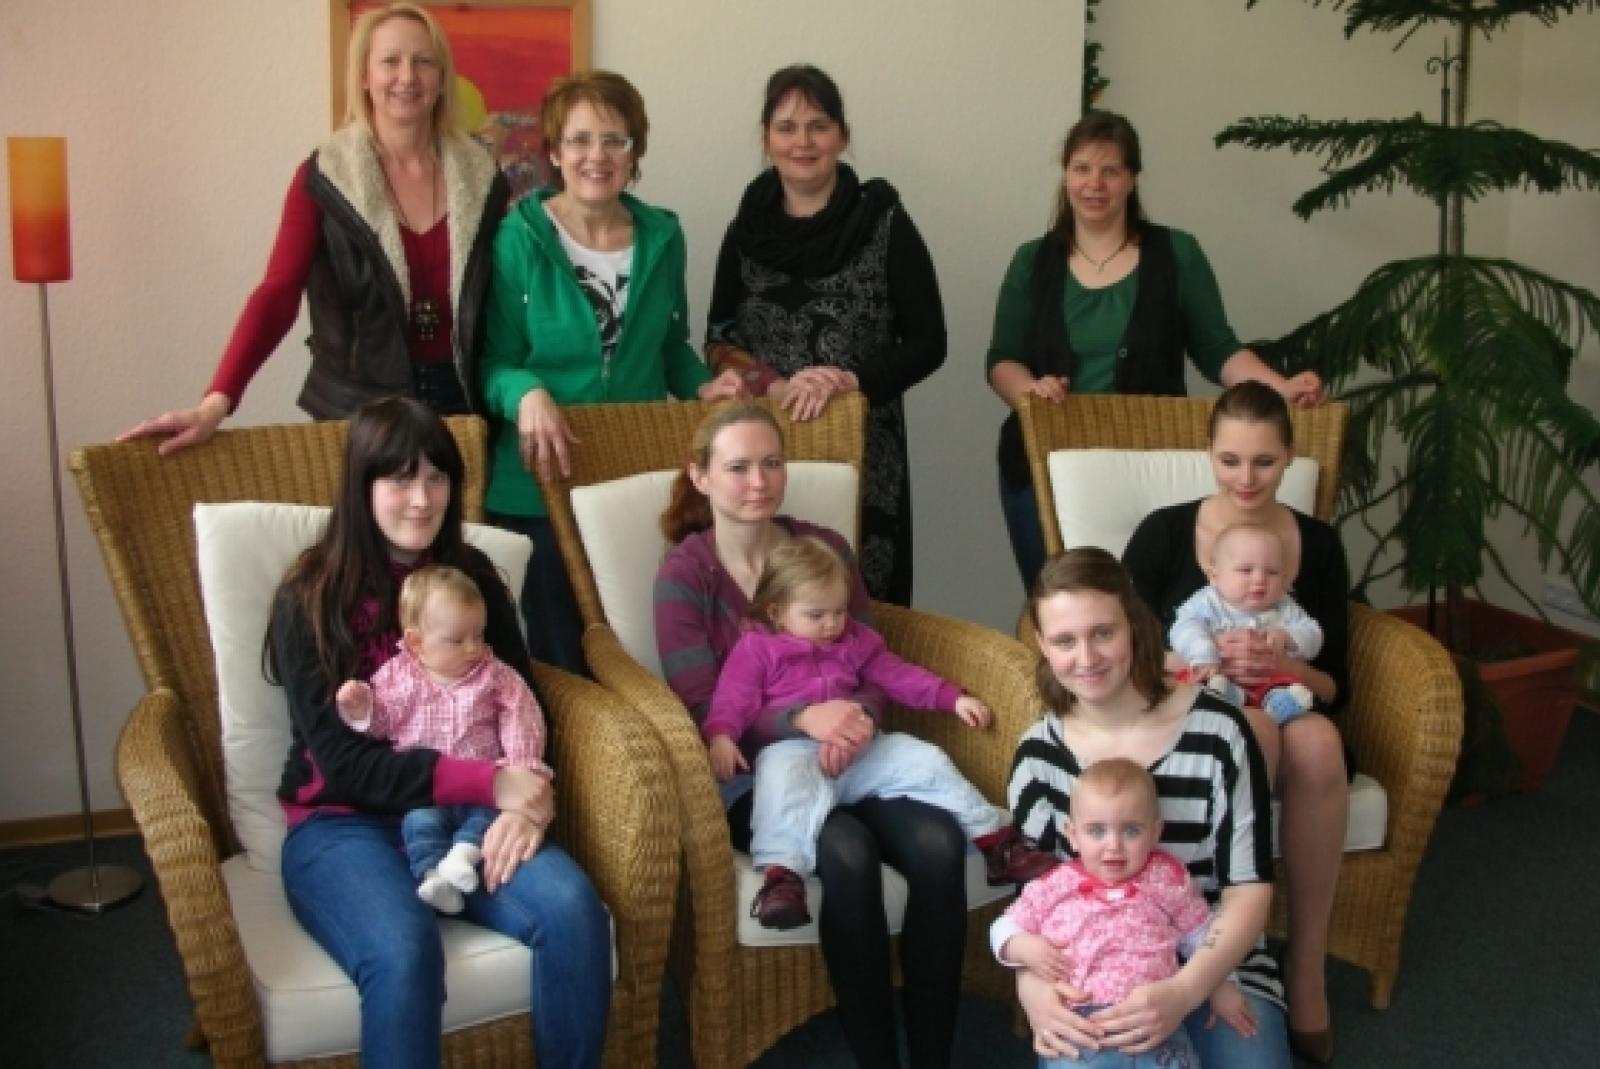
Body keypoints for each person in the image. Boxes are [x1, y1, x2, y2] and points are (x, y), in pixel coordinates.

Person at [268, 396, 609, 1068]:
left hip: (470, 821)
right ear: (362, 485)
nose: (422, 499)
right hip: (343, 824)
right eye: (400, 479)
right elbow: (343, 764)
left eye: (436, 477)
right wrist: (493, 783)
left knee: (573, 909)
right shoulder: (310, 595)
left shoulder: (474, 579)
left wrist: (525, 802)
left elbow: (521, 701)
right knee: (404, 951)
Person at [654, 401, 970, 1068]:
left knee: (940, 843)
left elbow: (871, 659)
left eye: (771, 462)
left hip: (854, 754)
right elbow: (702, 705)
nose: (758, 481)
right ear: (701, 476)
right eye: (738, 467)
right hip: (756, 778)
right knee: (849, 855)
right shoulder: (686, 574)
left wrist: (858, 721)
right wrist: (801, 719)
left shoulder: (824, 548)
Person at [120, 2, 510, 454]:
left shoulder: (483, 178)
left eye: (424, 61)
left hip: (469, 413)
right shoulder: (324, 178)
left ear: (441, 78)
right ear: (364, 76)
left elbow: (511, 299)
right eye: (390, 61)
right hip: (359, 417)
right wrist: (216, 403)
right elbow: (277, 295)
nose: (407, 76)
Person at [985, 109, 1325, 590]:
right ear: (1065, 175)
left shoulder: (1177, 254)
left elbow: (1219, 349)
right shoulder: (1031, 261)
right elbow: (1001, 359)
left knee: (1150, 601)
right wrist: (1030, 391)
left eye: (1110, 170)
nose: (1094, 184)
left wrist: (1280, 388)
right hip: (1040, 461)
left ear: (1132, 178)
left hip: (1150, 465)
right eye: (1082, 168)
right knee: (1059, 603)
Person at [478, 69, 741, 673]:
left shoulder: (663, 236)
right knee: (560, 661)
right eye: (579, 139)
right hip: (538, 481)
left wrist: (703, 384)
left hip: (632, 476)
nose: (596, 155)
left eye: (614, 140)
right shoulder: (518, 237)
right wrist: (527, 393)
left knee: (639, 650)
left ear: (634, 152)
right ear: (554, 152)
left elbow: (670, 345)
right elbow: (493, 364)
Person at [1121, 381, 1350, 1066]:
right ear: (1208, 454)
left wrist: (1282, 661)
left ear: (1290, 457)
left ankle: (1304, 964)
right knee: (1257, 732)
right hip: (1189, 705)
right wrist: (1205, 660)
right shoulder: (1164, 532)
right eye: (1229, 460)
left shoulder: (1319, 544)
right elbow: (1123, 647)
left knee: (1318, 738)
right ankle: (1218, 946)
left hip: (1288, 699)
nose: (1245, 478)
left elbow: (1335, 681)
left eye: (1264, 461)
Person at [1008, 548, 1286, 1069]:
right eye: (1065, 641)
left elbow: (1247, 887)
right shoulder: (1037, 760)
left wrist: (1184, 990)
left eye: (1103, 633)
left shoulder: (1220, 732)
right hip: (1091, 975)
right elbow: (1035, 905)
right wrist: (1032, 989)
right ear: (1043, 646)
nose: (1086, 658)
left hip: (1218, 964)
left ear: (1134, 626)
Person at [705, 535, 1053, 930]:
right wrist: (722, 736)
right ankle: (782, 878)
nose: (832, 624)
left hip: (860, 749)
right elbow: (733, 699)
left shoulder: (855, 641)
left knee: (926, 760)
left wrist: (951, 698)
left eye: (839, 611)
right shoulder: (756, 650)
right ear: (777, 611)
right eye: (816, 615)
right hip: (794, 749)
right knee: (781, 784)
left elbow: (898, 675)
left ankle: (997, 845)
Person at [704, 64, 947, 606]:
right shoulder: (746, 230)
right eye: (787, 127)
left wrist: (849, 380)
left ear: (842, 135)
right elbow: (717, 339)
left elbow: (930, 342)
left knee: (862, 606)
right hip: (762, 452)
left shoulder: (883, 221)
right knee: (769, 601)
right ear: (766, 139)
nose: (803, 141)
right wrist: (772, 384)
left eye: (818, 126)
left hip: (866, 453)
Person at [993, 757, 1255, 1069]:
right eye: (1096, 831)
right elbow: (1003, 927)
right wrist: (1022, 947)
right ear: (1073, 834)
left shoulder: (1166, 878)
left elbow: (1202, 934)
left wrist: (1221, 983)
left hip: (1154, 1016)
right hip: (1079, 1022)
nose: (1114, 845)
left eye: (1131, 830)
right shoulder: (1055, 884)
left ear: (1155, 832)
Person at [335, 564, 552, 915]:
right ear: (415, 643)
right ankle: (435, 879)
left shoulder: (495, 676)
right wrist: (361, 708)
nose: (473, 648)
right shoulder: (397, 677)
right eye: (457, 640)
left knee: (485, 822)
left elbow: (522, 718)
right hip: (425, 795)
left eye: (479, 635)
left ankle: (462, 859)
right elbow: (381, 725)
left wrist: (522, 769)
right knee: (417, 826)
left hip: (486, 790)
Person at [1169, 524, 1323, 723]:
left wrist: (1289, 638)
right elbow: (1183, 628)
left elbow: (1314, 634)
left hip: (1267, 681)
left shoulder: (1285, 606)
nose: (1260, 579)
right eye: (1246, 570)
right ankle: (1225, 696)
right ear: (1215, 576)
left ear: (1285, 578)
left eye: (1272, 572)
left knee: (1286, 684)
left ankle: (1277, 706)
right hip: (1218, 676)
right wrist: (1204, 653)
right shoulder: (1206, 602)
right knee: (1195, 682)